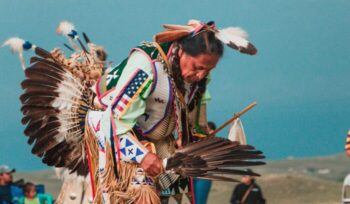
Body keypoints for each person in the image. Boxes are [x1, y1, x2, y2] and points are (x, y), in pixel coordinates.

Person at [11, 19, 259, 204]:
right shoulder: (146, 67)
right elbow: (114, 122)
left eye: (208, 69)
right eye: (198, 67)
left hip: (154, 138)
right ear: (181, 51)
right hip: (111, 131)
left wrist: (190, 137)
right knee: (140, 193)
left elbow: (183, 113)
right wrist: (141, 156)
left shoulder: (194, 77)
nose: (201, 74)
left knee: (174, 184)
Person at [193, 121, 216, 204]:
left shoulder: (214, 143)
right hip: (192, 174)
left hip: (204, 176)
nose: (204, 131)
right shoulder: (196, 140)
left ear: (212, 131)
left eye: (207, 129)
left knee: (200, 202)